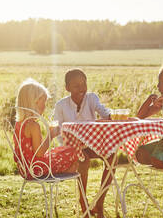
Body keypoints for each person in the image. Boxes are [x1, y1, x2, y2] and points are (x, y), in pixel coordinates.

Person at [53, 68, 114, 218]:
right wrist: (72, 145)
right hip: (71, 147)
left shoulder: (92, 98)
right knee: (83, 160)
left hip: (92, 144)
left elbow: (104, 112)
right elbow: (57, 131)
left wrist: (110, 115)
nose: (82, 89)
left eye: (84, 84)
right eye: (76, 86)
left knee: (112, 156)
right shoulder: (61, 106)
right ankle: (83, 201)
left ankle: (100, 201)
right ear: (67, 88)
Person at [13, 78, 79, 178]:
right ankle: (64, 171)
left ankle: (65, 170)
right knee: (72, 152)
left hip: (25, 168)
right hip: (37, 169)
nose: (44, 106)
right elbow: (39, 153)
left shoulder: (19, 123)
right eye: (43, 102)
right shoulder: (33, 126)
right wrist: (51, 135)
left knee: (62, 150)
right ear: (34, 103)